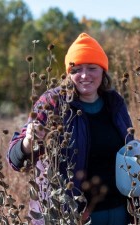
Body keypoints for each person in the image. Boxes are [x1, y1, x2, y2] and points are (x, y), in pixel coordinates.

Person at [7, 33, 133, 225]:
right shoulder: (53, 102)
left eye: (92, 68)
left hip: (117, 212)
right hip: (68, 216)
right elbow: (15, 160)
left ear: (103, 71)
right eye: (77, 69)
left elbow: (130, 149)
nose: (84, 75)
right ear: (68, 73)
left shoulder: (114, 103)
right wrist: (27, 143)